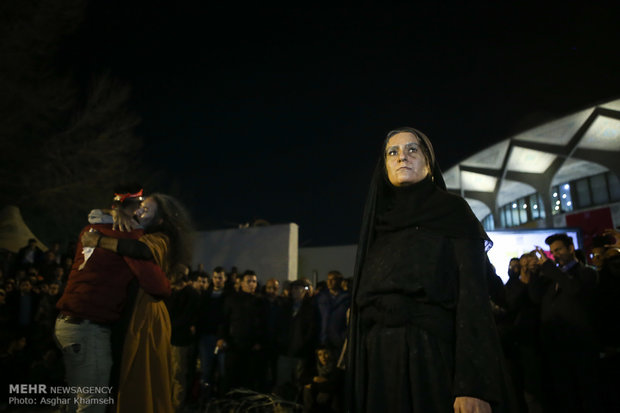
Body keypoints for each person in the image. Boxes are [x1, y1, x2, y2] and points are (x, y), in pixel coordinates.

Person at [347, 127, 514, 413]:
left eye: (413, 149)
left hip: (433, 360)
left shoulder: (453, 213)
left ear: (428, 162)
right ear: (384, 166)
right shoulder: (378, 222)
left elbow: (472, 301)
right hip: (379, 366)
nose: (402, 157)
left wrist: (472, 385)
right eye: (393, 152)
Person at [55, 186, 171, 412]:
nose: (141, 213)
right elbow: (159, 287)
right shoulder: (129, 234)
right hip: (88, 329)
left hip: (67, 324)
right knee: (92, 406)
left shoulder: (92, 228)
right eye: (141, 207)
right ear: (132, 208)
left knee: (76, 400)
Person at [82, 193, 193, 413]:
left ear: (161, 220)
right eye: (140, 207)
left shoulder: (162, 239)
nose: (140, 212)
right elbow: (97, 218)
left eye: (147, 210)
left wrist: (101, 241)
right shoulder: (135, 232)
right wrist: (115, 211)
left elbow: (141, 251)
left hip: (145, 316)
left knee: (137, 379)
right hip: (126, 312)